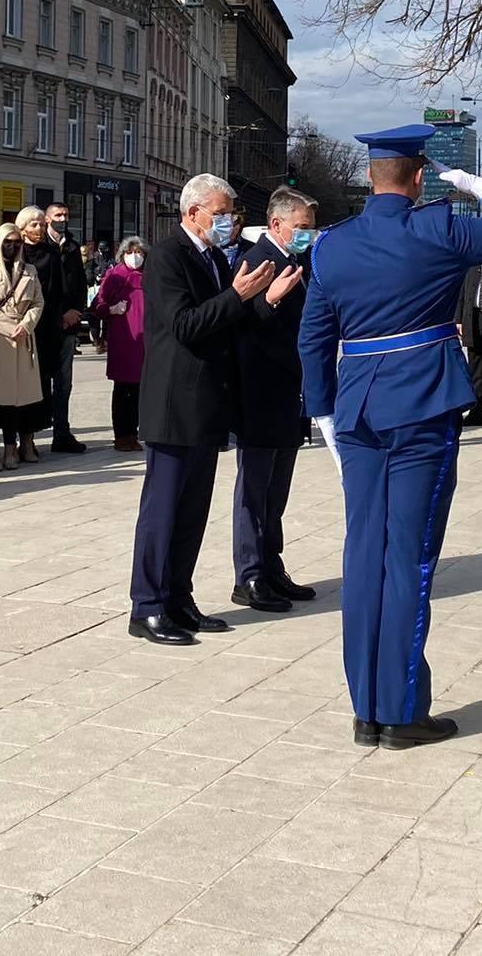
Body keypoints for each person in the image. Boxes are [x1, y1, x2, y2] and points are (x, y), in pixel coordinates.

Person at [300, 126, 482, 746]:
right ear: (417, 179)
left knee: (364, 557)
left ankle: (366, 710)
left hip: (355, 414)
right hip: (421, 409)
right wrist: (481, 185)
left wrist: (324, 413)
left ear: (371, 177)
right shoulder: (439, 229)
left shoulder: (331, 246)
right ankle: (402, 712)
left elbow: (314, 339)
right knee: (408, 557)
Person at [127, 175, 289, 645]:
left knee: (194, 511)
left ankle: (179, 597)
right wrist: (237, 296)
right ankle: (148, 605)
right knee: (163, 510)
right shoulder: (167, 256)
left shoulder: (217, 258)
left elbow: (229, 325)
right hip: (175, 403)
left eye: (233, 214)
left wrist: (265, 303)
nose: (229, 221)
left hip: (208, 403)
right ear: (193, 212)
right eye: (221, 213)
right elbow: (184, 325)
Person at [232, 188, 319, 613]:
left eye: (310, 227)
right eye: (302, 227)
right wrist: (270, 300)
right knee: (254, 488)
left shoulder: (297, 260)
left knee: (276, 489)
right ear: (277, 225)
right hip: (260, 388)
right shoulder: (255, 261)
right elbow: (240, 324)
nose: (308, 234)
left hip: (289, 388)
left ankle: (270, 564)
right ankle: (248, 574)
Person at [0, 222, 45, 469]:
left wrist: (26, 325)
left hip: (23, 337)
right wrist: (10, 328)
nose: (12, 247)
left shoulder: (29, 270)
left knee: (16, 399)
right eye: (7, 242)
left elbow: (37, 302)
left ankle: (11, 449)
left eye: (16, 242)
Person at [93, 236, 147, 452]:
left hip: (146, 341)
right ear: (122, 255)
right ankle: (122, 435)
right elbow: (98, 304)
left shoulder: (150, 276)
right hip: (124, 341)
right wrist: (112, 309)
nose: (135, 257)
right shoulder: (115, 276)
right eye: (130, 252)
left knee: (141, 390)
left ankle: (135, 432)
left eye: (140, 253)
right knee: (124, 389)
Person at [42, 202, 88, 452]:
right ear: (48, 219)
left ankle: (61, 433)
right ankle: (29, 434)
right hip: (45, 324)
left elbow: (80, 284)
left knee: (64, 383)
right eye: (58, 215)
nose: (63, 219)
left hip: (68, 325)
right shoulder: (40, 247)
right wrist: (57, 314)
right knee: (40, 381)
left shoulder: (71, 246)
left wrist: (76, 312)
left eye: (66, 215)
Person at [455, 264, 482, 429]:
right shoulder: (470, 265)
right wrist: (459, 319)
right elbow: (461, 292)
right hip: (472, 319)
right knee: (475, 370)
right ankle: (476, 412)